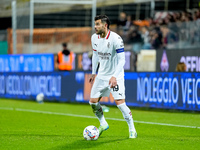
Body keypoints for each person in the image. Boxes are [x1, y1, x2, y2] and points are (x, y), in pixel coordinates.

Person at [89, 15, 137, 138]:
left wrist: (115, 76)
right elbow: (95, 56)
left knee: (120, 103)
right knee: (93, 102)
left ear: (105, 25)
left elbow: (122, 60)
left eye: (98, 24)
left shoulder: (116, 39)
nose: (95, 26)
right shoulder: (94, 38)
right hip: (102, 75)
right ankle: (103, 123)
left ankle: (132, 129)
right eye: (95, 24)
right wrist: (94, 72)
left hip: (116, 76)